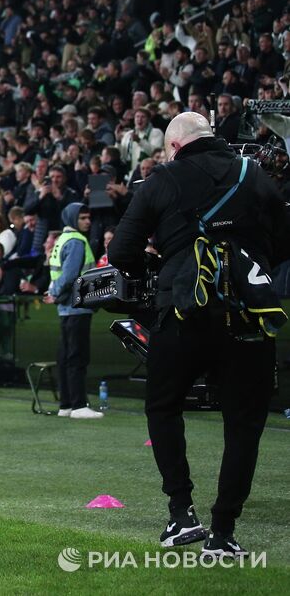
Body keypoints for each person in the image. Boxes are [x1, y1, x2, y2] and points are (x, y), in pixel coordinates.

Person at [107, 112, 290, 556]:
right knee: (244, 425)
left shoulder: (161, 180)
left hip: (182, 311)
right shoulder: (253, 174)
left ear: (174, 146)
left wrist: (163, 259)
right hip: (247, 315)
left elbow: (121, 252)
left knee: (163, 407)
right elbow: (285, 242)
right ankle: (224, 532)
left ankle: (182, 513)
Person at [46, 203, 101, 419]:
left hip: (65, 308)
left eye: (88, 218)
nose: (88, 221)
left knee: (65, 357)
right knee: (77, 357)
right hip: (77, 307)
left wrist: (54, 293)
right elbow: (69, 276)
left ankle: (66, 404)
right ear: (73, 219)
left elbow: (60, 274)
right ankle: (79, 405)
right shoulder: (77, 241)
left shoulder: (62, 239)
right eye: (83, 218)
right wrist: (56, 293)